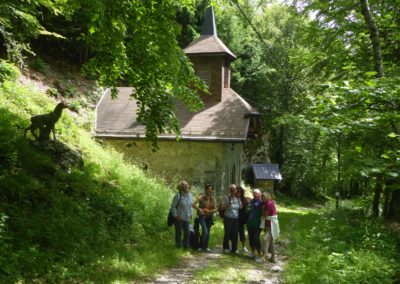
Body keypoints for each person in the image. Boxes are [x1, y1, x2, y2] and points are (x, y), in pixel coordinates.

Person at [193, 184, 217, 252]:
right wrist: (199, 209)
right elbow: (193, 204)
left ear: (212, 190)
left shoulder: (213, 199)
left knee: (208, 232)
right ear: (206, 189)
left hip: (209, 217)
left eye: (211, 189)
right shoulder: (201, 197)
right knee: (205, 231)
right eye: (208, 189)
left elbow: (215, 209)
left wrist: (209, 211)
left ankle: (205, 247)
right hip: (202, 217)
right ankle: (200, 246)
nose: (209, 190)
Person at [170, 180, 193, 249]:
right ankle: (179, 246)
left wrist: (191, 214)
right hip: (179, 218)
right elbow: (173, 207)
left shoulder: (190, 195)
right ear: (181, 188)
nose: (187, 188)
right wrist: (176, 216)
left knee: (187, 232)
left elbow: (190, 205)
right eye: (185, 187)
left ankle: (186, 246)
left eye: (187, 186)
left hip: (187, 217)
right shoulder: (178, 196)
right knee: (179, 233)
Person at [221, 184, 242, 254]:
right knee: (227, 233)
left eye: (234, 190)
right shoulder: (226, 198)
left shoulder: (237, 198)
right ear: (229, 190)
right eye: (231, 190)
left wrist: (239, 201)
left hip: (236, 218)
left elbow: (241, 207)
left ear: (236, 191)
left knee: (235, 234)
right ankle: (226, 247)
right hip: (228, 218)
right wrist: (228, 205)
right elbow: (222, 208)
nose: (233, 191)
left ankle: (234, 249)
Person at [261, 191, 279, 263]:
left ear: (268, 197)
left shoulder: (268, 204)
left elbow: (265, 215)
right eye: (262, 197)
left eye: (264, 197)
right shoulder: (271, 202)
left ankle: (263, 257)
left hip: (270, 225)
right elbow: (277, 212)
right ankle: (273, 258)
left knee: (266, 239)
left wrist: (262, 210)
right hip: (272, 224)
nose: (262, 198)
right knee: (271, 241)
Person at [246, 189, 263, 262]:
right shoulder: (251, 202)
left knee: (256, 239)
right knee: (250, 238)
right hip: (250, 224)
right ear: (253, 194)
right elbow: (247, 210)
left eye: (257, 194)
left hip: (257, 224)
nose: (256, 195)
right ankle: (253, 252)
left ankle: (259, 254)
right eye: (254, 194)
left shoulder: (262, 202)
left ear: (260, 194)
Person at [236, 186, 249, 253]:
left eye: (240, 192)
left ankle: (244, 247)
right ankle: (235, 247)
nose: (238, 193)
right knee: (234, 233)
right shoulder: (233, 198)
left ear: (242, 192)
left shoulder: (244, 200)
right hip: (234, 218)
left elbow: (241, 207)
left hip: (241, 219)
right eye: (237, 191)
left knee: (241, 232)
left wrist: (238, 199)